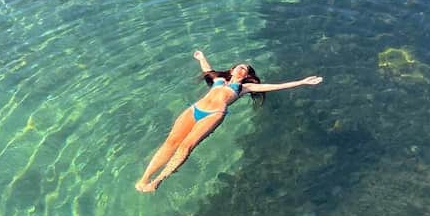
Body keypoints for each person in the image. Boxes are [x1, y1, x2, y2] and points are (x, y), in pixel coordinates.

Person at [136, 49, 323, 192]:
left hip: (214, 113)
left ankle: (158, 180)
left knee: (186, 146)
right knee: (171, 142)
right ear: (232, 69)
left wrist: (301, 82)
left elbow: (273, 86)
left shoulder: (244, 87)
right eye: (240, 66)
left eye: (246, 69)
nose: (243, 69)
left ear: (247, 75)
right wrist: (201, 58)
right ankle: (144, 179)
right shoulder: (219, 79)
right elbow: (208, 71)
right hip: (195, 109)